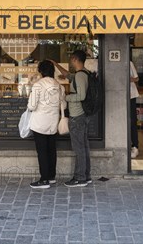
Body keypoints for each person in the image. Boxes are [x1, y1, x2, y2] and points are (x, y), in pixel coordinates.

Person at [51, 50, 92, 187]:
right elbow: (67, 75)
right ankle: (86, 176)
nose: (70, 62)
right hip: (83, 115)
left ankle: (80, 178)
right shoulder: (84, 73)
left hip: (77, 115)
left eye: (71, 59)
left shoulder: (80, 76)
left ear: (75, 59)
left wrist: (65, 97)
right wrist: (55, 64)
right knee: (84, 146)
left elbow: (81, 96)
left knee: (79, 147)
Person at [27, 60, 66, 189]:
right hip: (53, 122)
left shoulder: (38, 85)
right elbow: (64, 105)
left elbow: (31, 106)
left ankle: (44, 180)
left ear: (41, 71)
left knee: (42, 151)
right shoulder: (60, 86)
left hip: (40, 122)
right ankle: (51, 176)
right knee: (51, 150)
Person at [130, 60, 140, 158]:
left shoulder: (129, 63)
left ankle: (135, 146)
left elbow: (136, 78)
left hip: (131, 95)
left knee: (132, 121)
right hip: (119, 96)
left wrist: (129, 79)